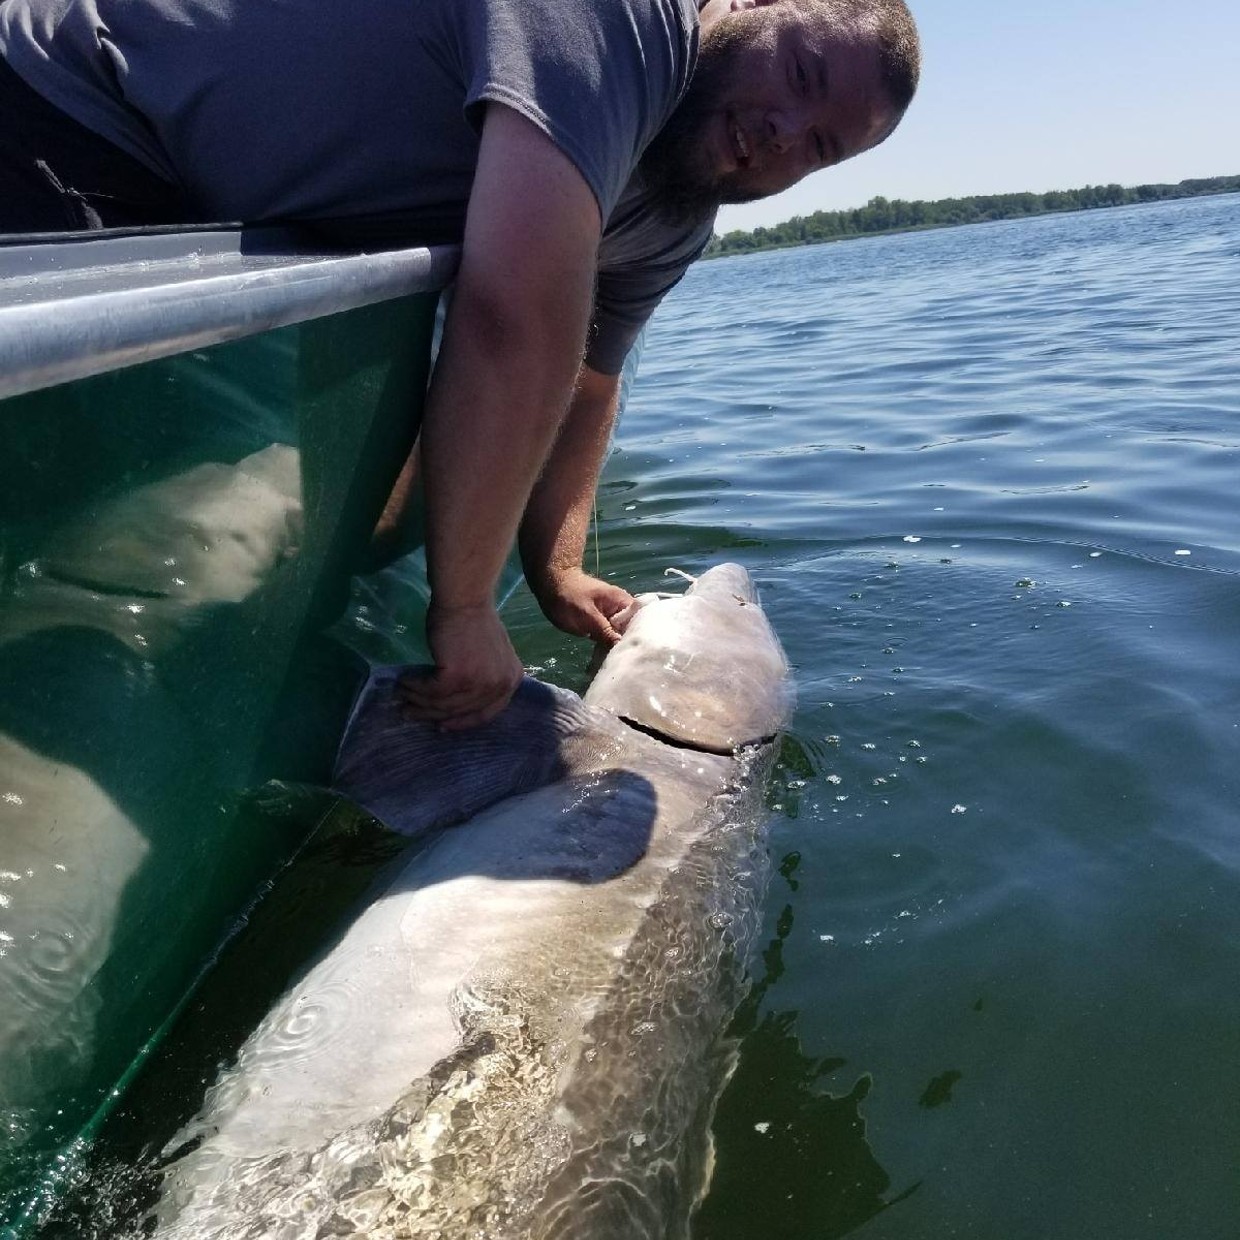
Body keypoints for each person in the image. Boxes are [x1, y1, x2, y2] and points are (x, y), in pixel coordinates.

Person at [0, 0, 920, 728]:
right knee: (99, 516)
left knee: (238, 540)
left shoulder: (678, 209)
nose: (784, 131)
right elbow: (515, 320)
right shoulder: (617, 19)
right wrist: (465, 609)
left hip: (236, 218)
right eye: (798, 76)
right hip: (75, 113)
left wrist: (554, 565)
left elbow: (589, 381)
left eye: (821, 147)